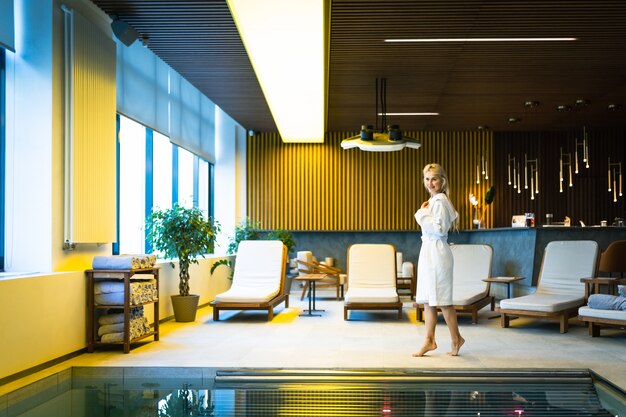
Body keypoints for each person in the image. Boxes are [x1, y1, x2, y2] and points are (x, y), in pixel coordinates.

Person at [413, 163, 464, 357]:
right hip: (429, 251)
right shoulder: (433, 200)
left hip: (438, 253)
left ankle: (456, 339)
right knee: (428, 299)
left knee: (442, 300)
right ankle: (429, 340)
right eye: (427, 179)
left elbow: (440, 229)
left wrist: (421, 214)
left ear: (442, 180)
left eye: (434, 178)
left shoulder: (441, 201)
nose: (430, 183)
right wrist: (424, 211)